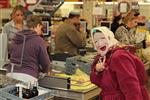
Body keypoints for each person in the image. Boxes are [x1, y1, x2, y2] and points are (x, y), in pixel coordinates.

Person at [90, 26, 149, 100]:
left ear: (110, 37)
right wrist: (97, 71)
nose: (99, 43)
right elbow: (100, 83)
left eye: (103, 38)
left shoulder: (119, 57)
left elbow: (131, 87)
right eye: (96, 41)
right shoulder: (104, 57)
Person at [6, 15, 52, 84]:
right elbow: (45, 63)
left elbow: (11, 53)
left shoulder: (16, 37)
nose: (40, 32)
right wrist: (45, 70)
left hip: (11, 74)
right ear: (38, 26)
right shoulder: (38, 40)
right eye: (41, 28)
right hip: (28, 77)